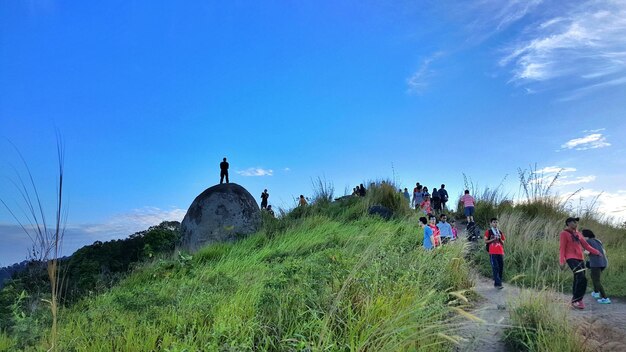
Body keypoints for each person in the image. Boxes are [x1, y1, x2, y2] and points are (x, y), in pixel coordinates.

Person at [559, 217, 602, 310]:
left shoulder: (578, 234)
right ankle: (577, 300)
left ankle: (576, 299)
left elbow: (586, 246)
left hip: (580, 259)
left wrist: (597, 252)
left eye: (576, 222)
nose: (575, 224)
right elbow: (562, 248)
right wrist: (562, 261)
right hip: (571, 258)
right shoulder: (564, 234)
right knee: (581, 277)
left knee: (578, 278)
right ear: (568, 224)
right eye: (573, 222)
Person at [582, 229, 610, 304]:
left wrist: (582, 251)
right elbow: (604, 252)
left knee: (596, 280)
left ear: (585, 236)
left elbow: (587, 252)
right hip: (603, 262)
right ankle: (596, 293)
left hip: (596, 263)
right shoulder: (598, 241)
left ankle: (605, 298)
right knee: (593, 276)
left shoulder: (588, 242)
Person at [485, 218, 505, 289]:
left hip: (500, 251)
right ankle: (498, 284)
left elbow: (503, 242)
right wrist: (493, 239)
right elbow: (486, 241)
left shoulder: (500, 232)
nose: (495, 223)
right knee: (495, 267)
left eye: (496, 222)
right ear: (491, 223)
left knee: (500, 267)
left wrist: (499, 239)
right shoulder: (489, 231)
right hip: (492, 251)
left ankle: (498, 283)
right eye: (494, 222)